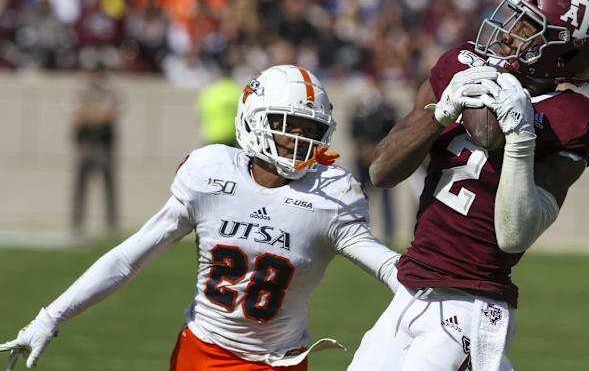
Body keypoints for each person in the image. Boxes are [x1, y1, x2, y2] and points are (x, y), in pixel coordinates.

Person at [0, 64, 400, 371]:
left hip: (281, 362)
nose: (300, 140)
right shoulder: (211, 174)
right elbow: (129, 257)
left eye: (310, 129)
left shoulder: (330, 195)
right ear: (255, 120)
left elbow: (388, 267)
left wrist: (451, 297)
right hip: (200, 354)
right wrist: (50, 316)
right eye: (287, 126)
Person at [348, 0, 589, 370]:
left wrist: (521, 138)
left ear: (563, 52)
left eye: (527, 26)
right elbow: (382, 170)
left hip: (470, 304)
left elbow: (515, 235)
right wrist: (441, 114)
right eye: (515, 16)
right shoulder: (462, 65)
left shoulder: (572, 118)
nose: (506, 30)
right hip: (410, 291)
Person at [71, 66, 121, 236]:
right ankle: (77, 223)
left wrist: (91, 116)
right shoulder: (80, 94)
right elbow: (77, 115)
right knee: (79, 184)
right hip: (85, 144)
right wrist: (96, 116)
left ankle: (111, 224)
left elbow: (110, 114)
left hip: (103, 144)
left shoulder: (110, 95)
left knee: (108, 184)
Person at [351, 76, 398, 244]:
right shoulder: (359, 108)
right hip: (363, 161)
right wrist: (364, 148)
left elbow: (393, 132)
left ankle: (389, 231)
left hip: (382, 159)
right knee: (361, 196)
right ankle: (358, 229)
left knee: (386, 197)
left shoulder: (388, 110)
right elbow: (353, 132)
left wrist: (378, 150)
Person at [196, 70, 242, 146]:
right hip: (231, 136)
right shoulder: (237, 90)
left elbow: (199, 115)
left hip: (212, 136)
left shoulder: (208, 91)